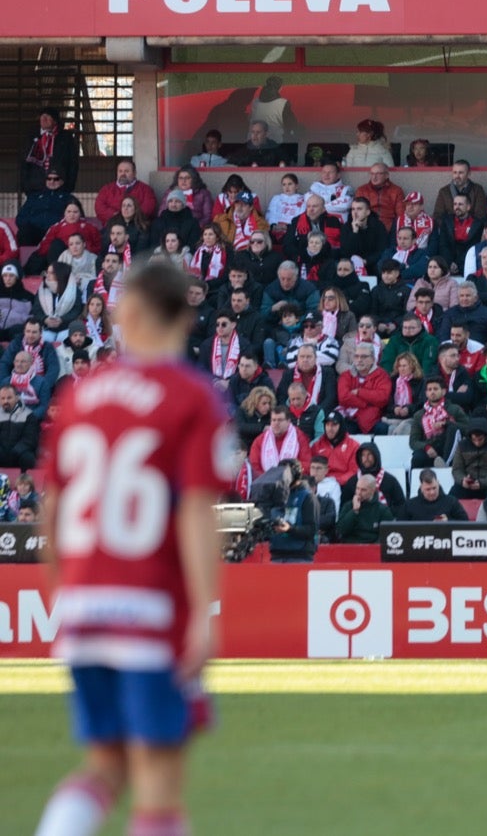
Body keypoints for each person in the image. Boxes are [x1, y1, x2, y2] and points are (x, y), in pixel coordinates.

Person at [33, 261, 236, 836]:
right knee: (159, 788)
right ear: (186, 316)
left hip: (83, 606)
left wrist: (65, 591)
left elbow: (52, 509)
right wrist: (203, 614)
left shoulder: (81, 395)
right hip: (150, 606)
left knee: (104, 765)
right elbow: (195, 511)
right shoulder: (193, 397)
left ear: (128, 313)